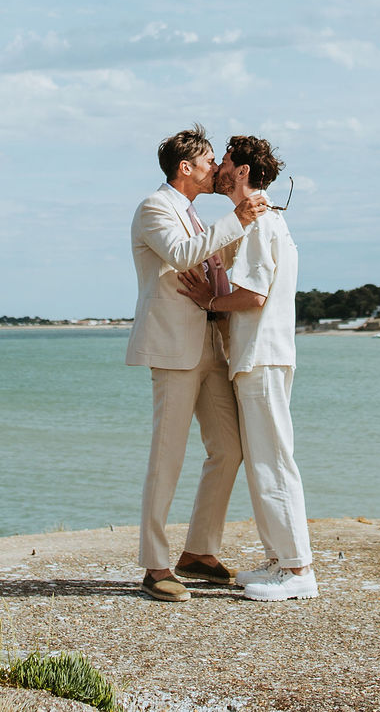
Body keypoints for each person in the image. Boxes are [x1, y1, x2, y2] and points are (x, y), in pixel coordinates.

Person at [126, 125, 268, 602]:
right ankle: (155, 565)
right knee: (166, 458)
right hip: (173, 351)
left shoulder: (193, 215)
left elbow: (213, 262)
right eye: (210, 162)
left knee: (229, 448)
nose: (216, 169)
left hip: (211, 346)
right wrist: (239, 219)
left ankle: (198, 553)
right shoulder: (154, 208)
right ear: (185, 168)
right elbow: (183, 254)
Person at [176, 133, 315, 601]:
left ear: (242, 172)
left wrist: (209, 298)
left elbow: (253, 296)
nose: (218, 169)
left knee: (273, 460)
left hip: (262, 355)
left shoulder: (261, 222)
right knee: (263, 461)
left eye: (226, 163)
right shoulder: (259, 219)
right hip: (258, 356)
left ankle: (297, 569)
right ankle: (280, 560)